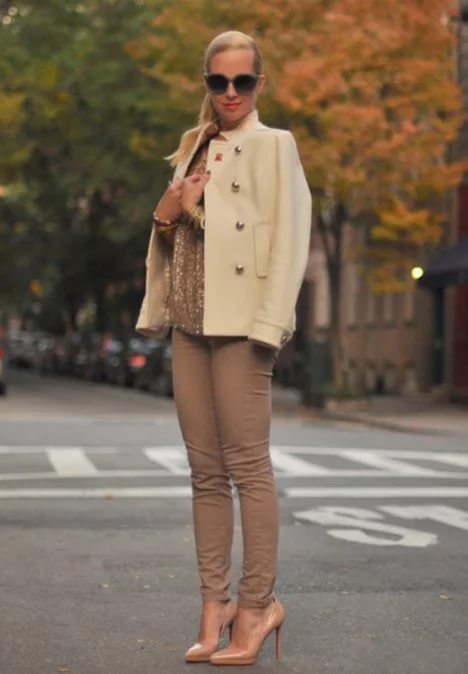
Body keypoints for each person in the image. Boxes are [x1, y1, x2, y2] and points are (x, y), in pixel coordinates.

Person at [135, 30, 312, 666]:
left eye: (242, 81)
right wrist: (174, 206)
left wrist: (270, 325)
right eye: (219, 81)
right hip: (189, 323)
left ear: (259, 84)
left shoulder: (274, 146)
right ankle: (215, 605)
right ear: (207, 83)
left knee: (248, 467)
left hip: (241, 326)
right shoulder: (193, 146)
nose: (230, 92)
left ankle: (258, 605)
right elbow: (170, 231)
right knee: (204, 472)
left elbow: (289, 241)